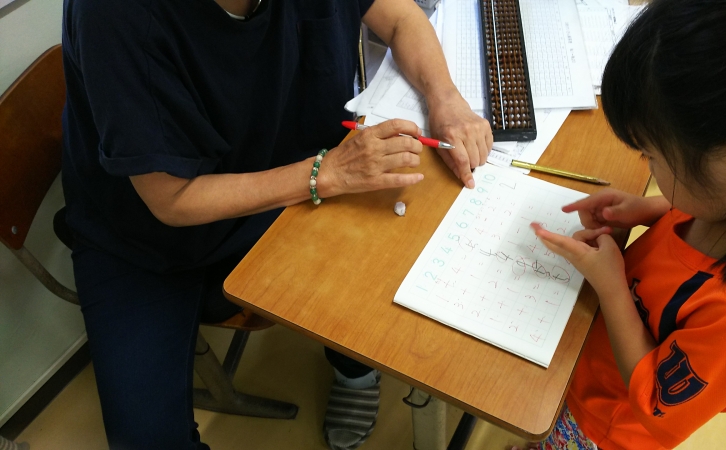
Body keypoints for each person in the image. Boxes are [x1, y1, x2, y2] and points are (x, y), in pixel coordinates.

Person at [60, 0, 492, 449]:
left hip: (283, 175)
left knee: (369, 281)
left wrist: (446, 99)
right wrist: (326, 174)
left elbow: (401, 18)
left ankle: (355, 371)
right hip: (143, 238)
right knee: (146, 438)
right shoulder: (114, 15)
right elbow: (170, 199)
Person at [512, 0, 726, 449]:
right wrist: (648, 209)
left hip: (602, 425)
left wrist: (611, 286)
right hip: (586, 364)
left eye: (652, 155)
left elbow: (655, 406)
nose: (649, 167)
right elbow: (696, 216)